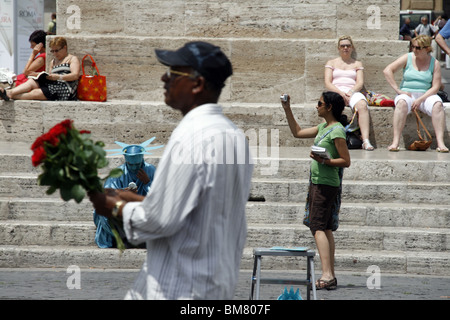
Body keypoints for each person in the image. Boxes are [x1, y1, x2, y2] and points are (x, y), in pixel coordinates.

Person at [88, 41, 254, 300]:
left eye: (174, 73)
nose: (164, 78)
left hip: (178, 288)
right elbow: (196, 211)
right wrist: (136, 199)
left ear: (197, 84)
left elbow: (159, 221)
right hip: (214, 284)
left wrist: (114, 207)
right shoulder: (233, 136)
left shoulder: (190, 136)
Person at [281, 91, 351, 290]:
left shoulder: (337, 131)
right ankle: (331, 275)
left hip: (326, 184)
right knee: (326, 227)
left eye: (319, 103)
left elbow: (346, 161)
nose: (316, 106)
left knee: (317, 226)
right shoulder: (323, 127)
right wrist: (287, 109)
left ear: (329, 107)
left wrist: (325, 161)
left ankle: (327, 275)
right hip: (319, 183)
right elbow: (297, 132)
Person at [383, 35, 448, 153]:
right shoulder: (407, 58)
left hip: (426, 94)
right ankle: (395, 142)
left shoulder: (435, 63)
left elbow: (436, 87)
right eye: (412, 46)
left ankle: (440, 143)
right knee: (401, 103)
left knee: (438, 104)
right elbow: (387, 70)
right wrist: (398, 90)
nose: (414, 50)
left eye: (418, 48)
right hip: (407, 93)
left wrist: (420, 99)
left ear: (427, 48)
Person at [93, 139, 161, 248]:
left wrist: (147, 183)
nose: (134, 168)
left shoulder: (151, 170)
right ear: (125, 161)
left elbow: (160, 196)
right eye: (130, 164)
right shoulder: (117, 173)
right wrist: (124, 192)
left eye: (137, 164)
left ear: (142, 159)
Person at [324, 35, 374, 150]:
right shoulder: (331, 63)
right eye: (342, 46)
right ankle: (326, 139)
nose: (345, 48)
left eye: (348, 45)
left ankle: (365, 141)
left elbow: (360, 82)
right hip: (336, 90)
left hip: (352, 91)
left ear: (352, 47)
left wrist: (350, 93)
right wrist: (341, 93)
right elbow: (328, 82)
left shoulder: (357, 64)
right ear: (338, 48)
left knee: (362, 105)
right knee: (327, 106)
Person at [0, 37, 80, 101]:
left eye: (57, 50)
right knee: (32, 81)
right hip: (53, 85)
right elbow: (50, 76)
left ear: (64, 48)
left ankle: (9, 95)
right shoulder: (53, 61)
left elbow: (75, 75)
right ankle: (10, 93)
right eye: (53, 51)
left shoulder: (72, 59)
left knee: (35, 92)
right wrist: (39, 75)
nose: (55, 53)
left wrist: (59, 77)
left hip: (65, 88)